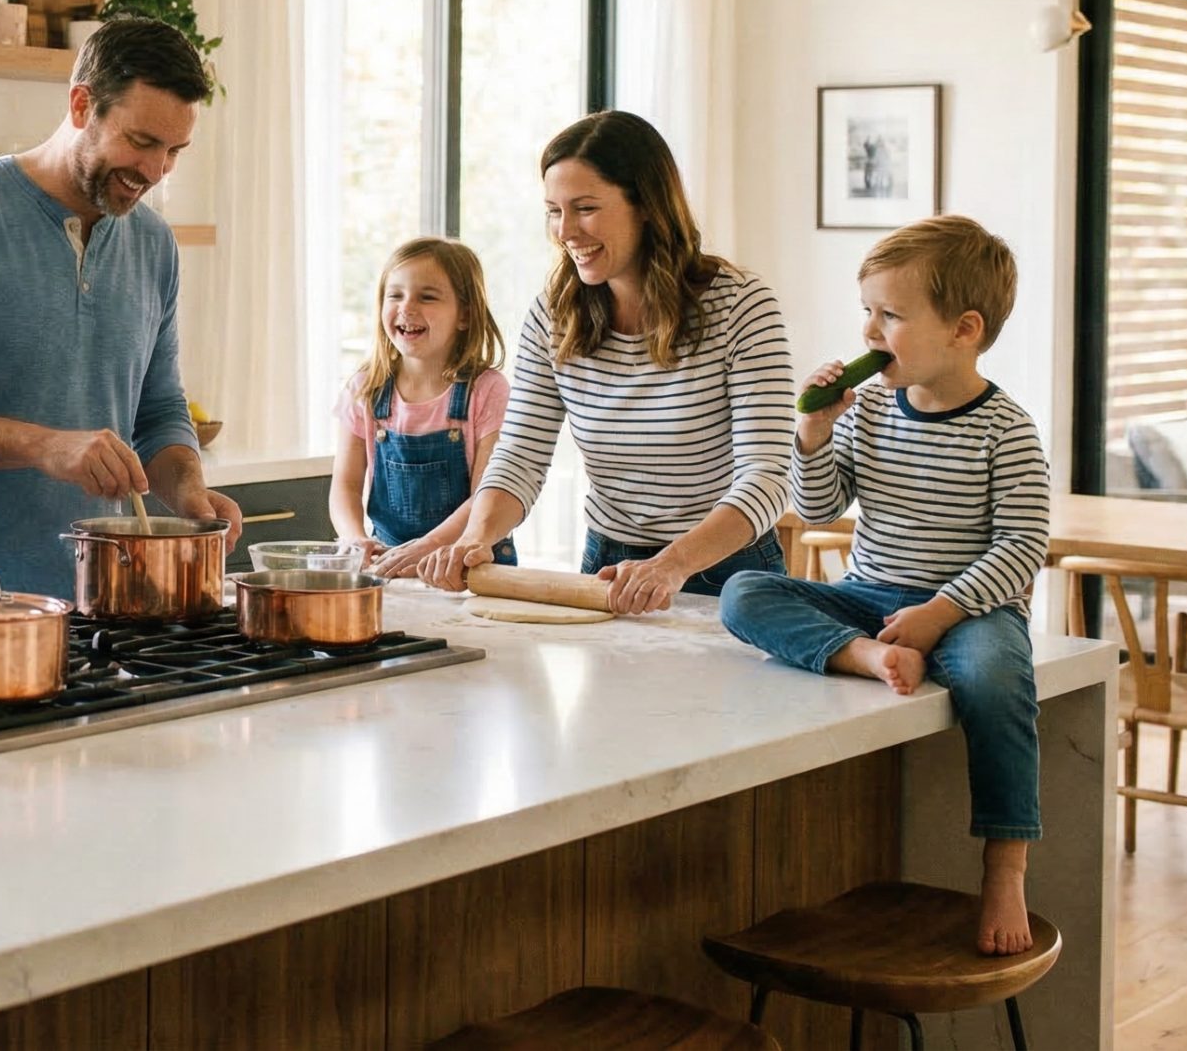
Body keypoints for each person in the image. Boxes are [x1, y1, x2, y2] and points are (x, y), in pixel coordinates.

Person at [719, 216, 1047, 955]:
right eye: (866, 309)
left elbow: (1023, 545)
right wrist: (812, 435)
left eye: (891, 315)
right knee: (745, 589)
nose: (869, 329)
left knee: (997, 677)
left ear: (964, 329)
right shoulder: (867, 409)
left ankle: (1005, 860)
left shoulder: (1008, 431)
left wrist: (939, 613)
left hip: (967, 609)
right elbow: (822, 506)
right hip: (868, 594)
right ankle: (864, 655)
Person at [0, 16, 242, 597]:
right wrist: (48, 446)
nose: (155, 171)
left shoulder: (154, 243)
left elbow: (158, 409)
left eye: (174, 151)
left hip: (104, 595)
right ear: (82, 104)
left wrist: (188, 494)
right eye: (141, 142)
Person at [434, 111, 795, 607]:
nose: (566, 231)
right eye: (553, 211)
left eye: (585, 208)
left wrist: (673, 564)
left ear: (646, 205)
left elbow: (768, 476)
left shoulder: (740, 305)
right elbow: (519, 456)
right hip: (606, 563)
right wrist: (477, 536)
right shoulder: (553, 314)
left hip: (727, 569)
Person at [328, 238, 514, 571]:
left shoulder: (487, 391)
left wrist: (432, 547)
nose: (407, 307)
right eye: (395, 295)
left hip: (469, 567)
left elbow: (487, 498)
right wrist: (354, 539)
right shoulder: (365, 389)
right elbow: (345, 484)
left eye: (427, 297)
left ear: (465, 316)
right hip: (388, 565)